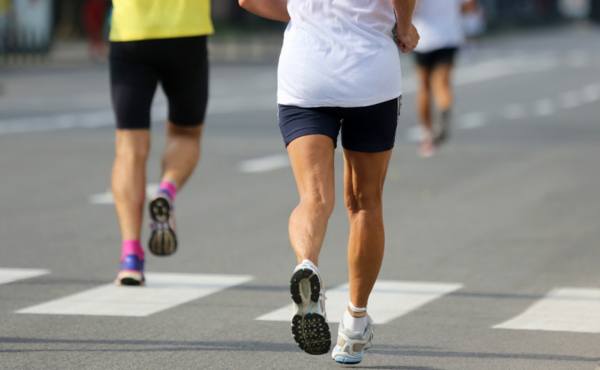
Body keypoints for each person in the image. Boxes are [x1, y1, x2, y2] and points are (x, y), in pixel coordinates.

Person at [239, 0, 419, 364]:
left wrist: (308, 16)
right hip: (371, 73)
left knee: (313, 198)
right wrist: (405, 25)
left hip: (306, 72)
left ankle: (307, 264)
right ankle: (355, 326)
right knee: (366, 203)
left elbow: (247, 0)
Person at [110, 0, 213, 286]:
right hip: (187, 29)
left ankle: (130, 257)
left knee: (129, 147)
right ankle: (166, 190)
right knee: (186, 133)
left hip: (131, 30)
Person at [412, 0, 478, 157]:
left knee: (424, 87)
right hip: (449, 36)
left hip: (423, 37)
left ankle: (427, 132)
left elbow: (411, 7)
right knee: (442, 83)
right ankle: (444, 109)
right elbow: (470, 7)